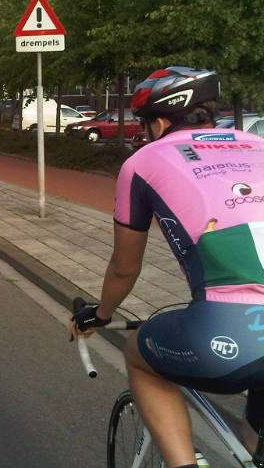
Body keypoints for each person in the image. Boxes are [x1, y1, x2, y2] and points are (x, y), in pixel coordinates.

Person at [71, 66, 264, 468]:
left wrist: (101, 314)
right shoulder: (257, 143)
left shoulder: (144, 161)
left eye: (144, 127)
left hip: (232, 330)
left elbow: (124, 268)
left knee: (138, 353)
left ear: (158, 123)